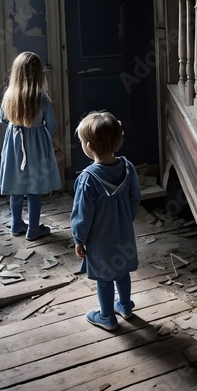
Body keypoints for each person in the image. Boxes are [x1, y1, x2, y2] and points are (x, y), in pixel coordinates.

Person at [71, 110, 141, 331]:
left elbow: (82, 214)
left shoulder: (88, 179)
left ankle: (107, 316)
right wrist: (126, 219)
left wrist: (79, 239)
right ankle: (125, 306)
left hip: (100, 240)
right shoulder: (128, 167)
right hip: (123, 232)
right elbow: (135, 197)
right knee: (122, 271)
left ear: (89, 146)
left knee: (104, 278)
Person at [0, 51, 62, 240]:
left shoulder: (9, 95)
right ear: (38, 73)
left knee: (16, 187)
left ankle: (16, 224)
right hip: (36, 148)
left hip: (14, 146)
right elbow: (52, 125)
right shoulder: (41, 97)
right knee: (35, 187)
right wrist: (43, 140)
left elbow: (2, 118)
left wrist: (15, 128)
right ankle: (33, 228)